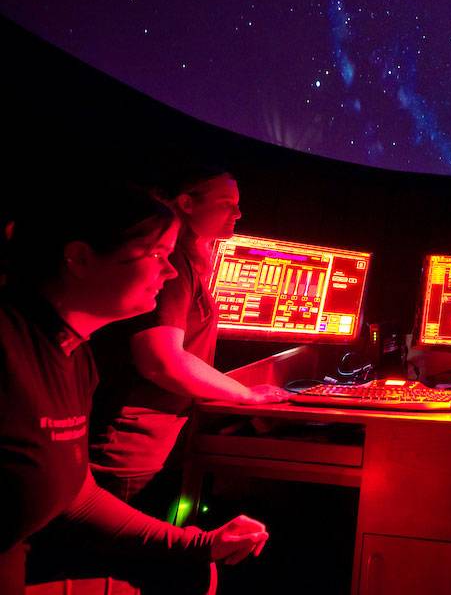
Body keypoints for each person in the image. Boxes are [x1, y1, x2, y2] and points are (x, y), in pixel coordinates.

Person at [0, 183, 269, 594]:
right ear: (80, 258)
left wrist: (201, 543)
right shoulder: (9, 346)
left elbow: (78, 496)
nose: (171, 270)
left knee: (191, 571)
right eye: (158, 254)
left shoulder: (75, 357)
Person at [90, 166, 288, 510]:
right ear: (186, 203)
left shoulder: (184, 261)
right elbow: (162, 360)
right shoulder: (174, 263)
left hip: (153, 441)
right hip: (130, 448)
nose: (238, 213)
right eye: (227, 203)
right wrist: (245, 395)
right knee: (114, 557)